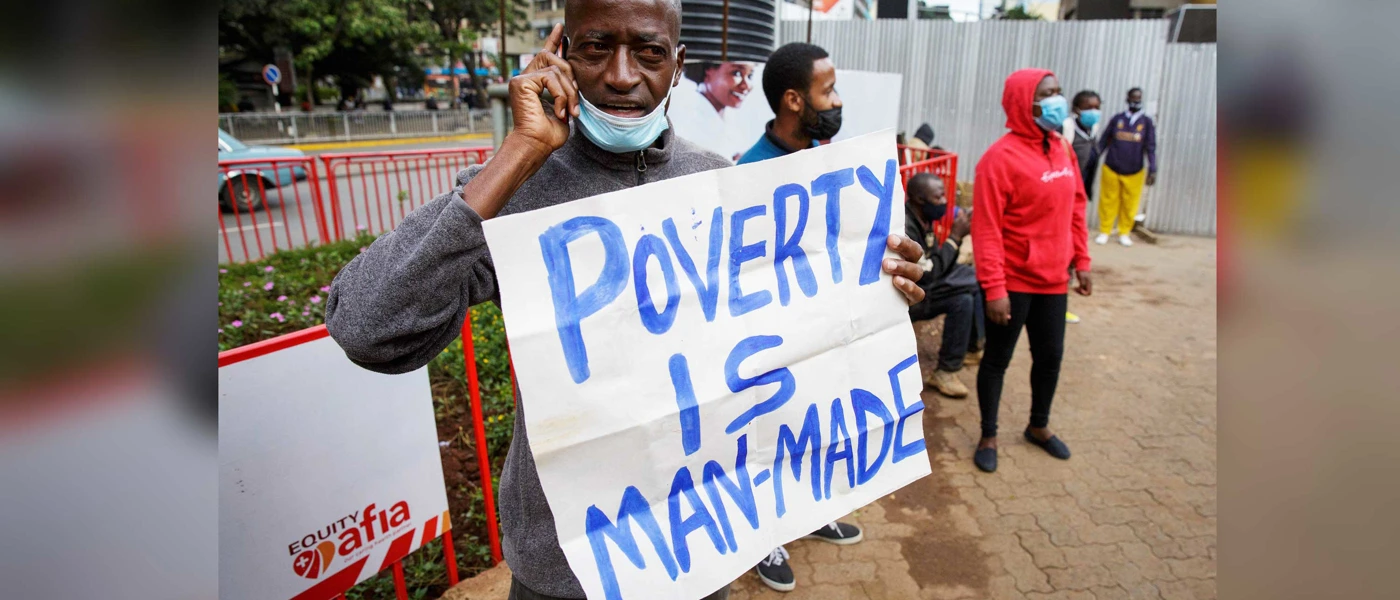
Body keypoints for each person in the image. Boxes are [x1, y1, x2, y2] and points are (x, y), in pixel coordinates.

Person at [324, 5, 929, 598]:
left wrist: (865, 278)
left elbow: (782, 328)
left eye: (647, 52)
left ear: (677, 64)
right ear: (561, 55)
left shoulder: (718, 180)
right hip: (564, 570)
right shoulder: (521, 185)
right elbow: (366, 327)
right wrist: (517, 154)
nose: (620, 74)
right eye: (595, 47)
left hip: (697, 546)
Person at [732, 41, 873, 593]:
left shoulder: (831, 158)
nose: (837, 100)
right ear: (794, 100)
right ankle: (764, 535)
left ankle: (810, 511)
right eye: (828, 89)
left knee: (814, 432)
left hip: (824, 333)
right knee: (767, 437)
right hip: (771, 343)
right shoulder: (750, 174)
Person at [970, 68, 1092, 474]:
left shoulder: (1061, 147)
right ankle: (989, 434)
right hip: (1014, 281)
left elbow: (1077, 206)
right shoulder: (998, 159)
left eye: (1059, 91)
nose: (1057, 100)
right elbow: (986, 228)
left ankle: (1038, 426)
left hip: (1055, 280)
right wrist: (994, 288)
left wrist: (1083, 261)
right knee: (997, 360)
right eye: (1047, 94)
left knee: (1050, 357)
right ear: (1025, 101)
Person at [905, 173, 983, 398]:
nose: (944, 203)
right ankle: (947, 371)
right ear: (920, 199)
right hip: (911, 299)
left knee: (969, 282)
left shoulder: (924, 219)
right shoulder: (907, 226)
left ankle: (967, 352)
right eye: (938, 198)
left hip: (926, 286)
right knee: (964, 295)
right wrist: (955, 237)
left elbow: (936, 261)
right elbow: (927, 275)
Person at [736, 43, 842, 165]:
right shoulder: (749, 171)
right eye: (828, 92)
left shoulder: (819, 154)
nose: (838, 102)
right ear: (793, 101)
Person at [1095, 86, 1157, 247]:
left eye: (1138, 99)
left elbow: (1150, 147)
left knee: (1130, 204)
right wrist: (1094, 158)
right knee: (1108, 201)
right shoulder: (1117, 119)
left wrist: (1153, 168)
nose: (1135, 102)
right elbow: (1103, 141)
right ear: (1127, 100)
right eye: (1133, 99)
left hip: (1135, 170)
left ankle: (1124, 232)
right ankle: (1105, 231)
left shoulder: (1147, 122)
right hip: (1112, 166)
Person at [1061, 89, 1102, 325]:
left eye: (1097, 107)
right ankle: (1058, 306)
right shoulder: (1065, 131)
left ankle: (1061, 304)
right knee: (1065, 251)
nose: (1094, 112)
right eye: (1089, 107)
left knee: (1073, 251)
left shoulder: (1092, 131)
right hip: (1063, 199)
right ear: (1076, 109)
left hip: (1078, 197)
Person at [672, 61, 755, 160]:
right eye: (736, 73)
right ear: (708, 71)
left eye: (750, 75)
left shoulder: (731, 116)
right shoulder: (686, 116)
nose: (747, 85)